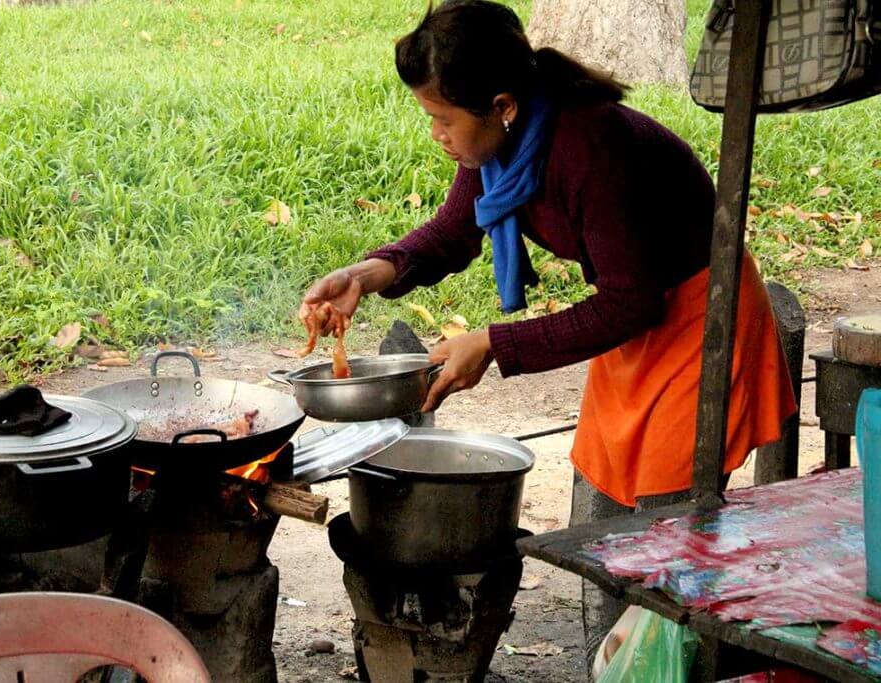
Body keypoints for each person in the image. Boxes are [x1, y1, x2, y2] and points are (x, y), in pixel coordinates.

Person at [299, 0, 797, 669]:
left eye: (444, 119)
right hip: (636, 326)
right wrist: (367, 272)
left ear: (501, 103)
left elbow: (630, 302)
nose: (437, 134)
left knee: (663, 539)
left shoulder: (591, 148)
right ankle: (611, 662)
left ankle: (660, 664)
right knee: (600, 521)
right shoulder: (502, 144)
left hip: (700, 322)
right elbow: (455, 231)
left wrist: (497, 345)